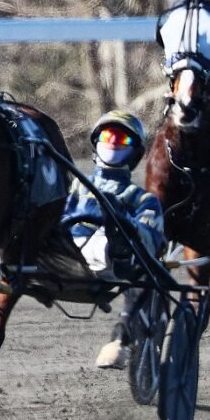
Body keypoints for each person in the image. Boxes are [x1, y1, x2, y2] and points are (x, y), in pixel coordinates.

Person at [63, 109, 167, 369]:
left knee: (124, 236)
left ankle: (119, 340)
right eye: (108, 135)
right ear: (97, 142)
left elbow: (150, 236)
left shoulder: (143, 198)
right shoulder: (76, 186)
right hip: (64, 249)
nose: (112, 142)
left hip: (112, 257)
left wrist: (125, 226)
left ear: (135, 153)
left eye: (123, 140)